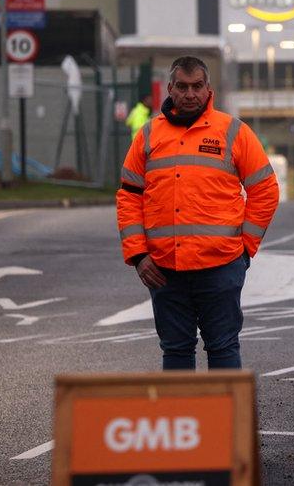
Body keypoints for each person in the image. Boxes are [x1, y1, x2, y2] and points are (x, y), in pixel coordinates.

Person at [116, 56, 279, 370]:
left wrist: (245, 248)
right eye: (182, 86)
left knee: (223, 349)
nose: (190, 94)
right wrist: (138, 255)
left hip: (220, 266)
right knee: (176, 352)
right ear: (170, 89)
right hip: (164, 269)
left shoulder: (233, 131)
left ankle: (226, 421)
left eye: (197, 86)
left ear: (208, 89)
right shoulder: (148, 135)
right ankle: (182, 420)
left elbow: (265, 189)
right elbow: (129, 196)